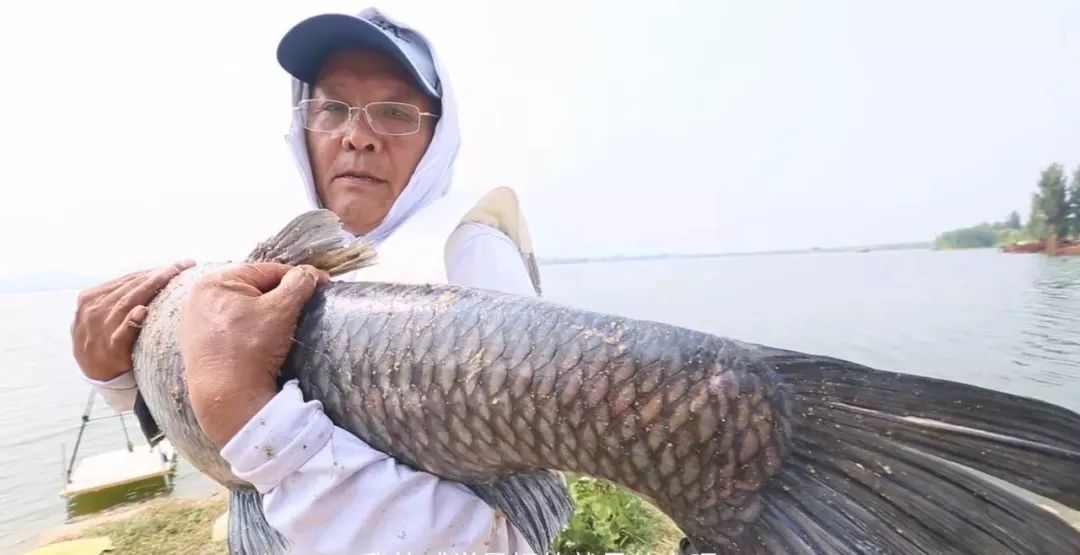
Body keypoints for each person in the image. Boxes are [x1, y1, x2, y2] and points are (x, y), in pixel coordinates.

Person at [71, 7, 559, 554]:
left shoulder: (467, 255)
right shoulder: (280, 263)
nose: (358, 136)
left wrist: (252, 417)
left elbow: (510, 540)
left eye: (395, 111)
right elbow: (201, 414)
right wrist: (114, 377)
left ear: (438, 139)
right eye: (332, 107)